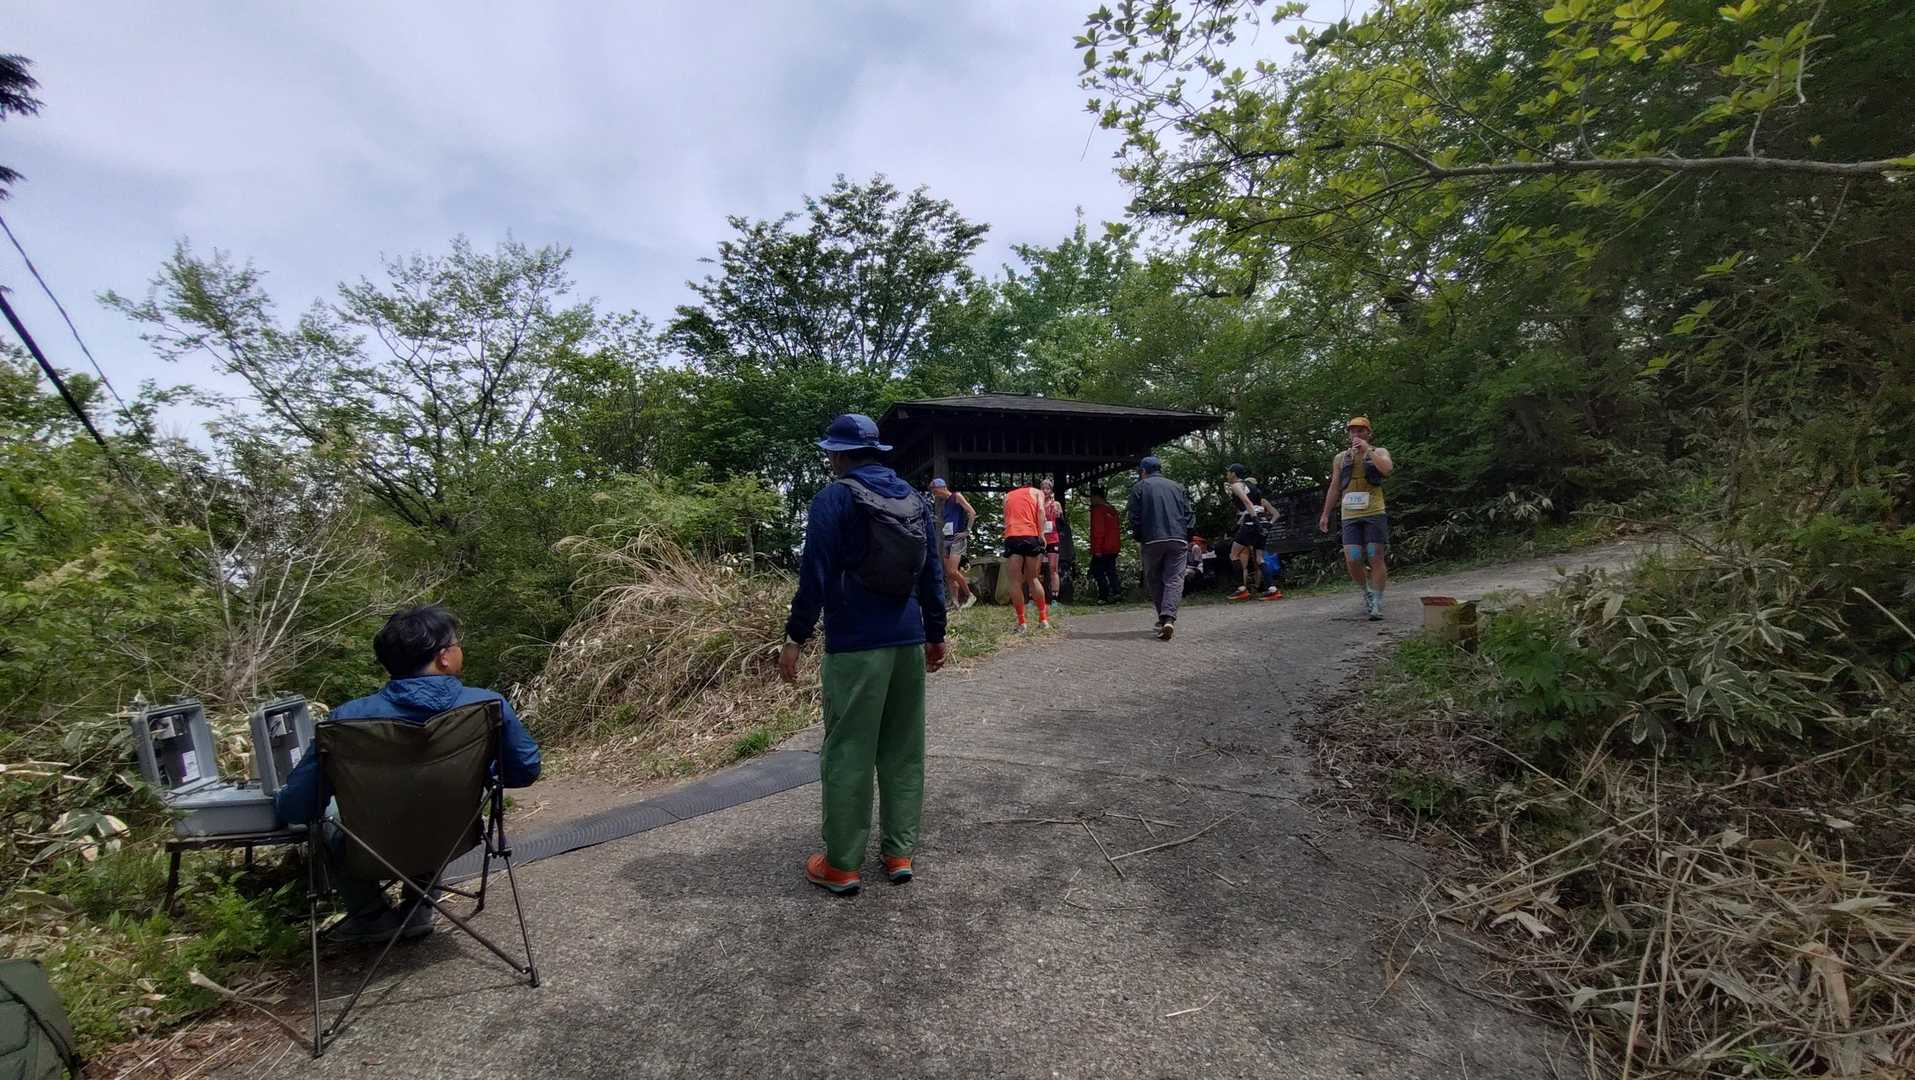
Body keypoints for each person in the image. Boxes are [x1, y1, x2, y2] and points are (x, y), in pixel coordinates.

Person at [275, 605, 541, 945]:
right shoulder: (487, 706)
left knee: (327, 815)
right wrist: (478, 770)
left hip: (369, 849)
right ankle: (419, 906)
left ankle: (371, 916)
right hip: (452, 836)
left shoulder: (344, 720)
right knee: (431, 803)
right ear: (443, 657)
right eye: (456, 643)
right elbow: (525, 770)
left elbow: (296, 808)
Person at [780, 414, 947, 895]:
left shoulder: (834, 498)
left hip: (855, 645)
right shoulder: (913, 499)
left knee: (849, 751)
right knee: (903, 751)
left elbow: (815, 573)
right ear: (877, 451)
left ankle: (842, 865)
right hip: (907, 641)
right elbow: (931, 572)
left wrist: (795, 637)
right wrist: (935, 633)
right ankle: (899, 853)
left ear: (838, 454)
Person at [1317, 416, 1395, 620]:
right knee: (1352, 558)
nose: (1356, 434)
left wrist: (1367, 449)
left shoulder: (1379, 452)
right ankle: (1366, 591)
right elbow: (1334, 487)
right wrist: (1325, 514)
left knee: (1375, 555)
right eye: (1353, 431)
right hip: (1350, 514)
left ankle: (1377, 601)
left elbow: (1387, 469)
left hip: (1374, 512)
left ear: (1369, 433)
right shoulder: (1341, 458)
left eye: (1361, 431)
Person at [1125, 456, 1194, 640]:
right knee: (1174, 578)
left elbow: (1134, 516)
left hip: (1152, 539)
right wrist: (1187, 535)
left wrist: (1139, 536)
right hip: (1178, 537)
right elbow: (1189, 513)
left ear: (1143, 471)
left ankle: (1163, 619)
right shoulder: (1177, 487)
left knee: (1154, 578)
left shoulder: (1140, 487)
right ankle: (1169, 617)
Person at [1224, 464, 1282, 602]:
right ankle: (1272, 590)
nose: (1227, 475)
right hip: (1263, 523)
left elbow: (1246, 502)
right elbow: (1256, 504)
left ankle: (1241, 590)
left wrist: (1255, 521)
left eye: (1228, 472)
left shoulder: (1236, 485)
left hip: (1252, 523)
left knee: (1233, 555)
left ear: (1233, 474)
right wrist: (1263, 524)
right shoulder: (1252, 486)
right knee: (1260, 558)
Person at [1001, 478, 1052, 632]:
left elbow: (1005, 518)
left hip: (1012, 536)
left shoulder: (1007, 496)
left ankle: (1022, 623)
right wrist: (1041, 534)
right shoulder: (1037, 492)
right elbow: (1041, 511)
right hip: (1030, 535)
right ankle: (1043, 619)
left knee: (1014, 582)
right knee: (1033, 579)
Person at [929, 478, 977, 611]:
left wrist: (967, 531)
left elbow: (972, 512)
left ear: (942, 487)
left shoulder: (957, 496)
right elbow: (948, 521)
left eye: (935, 491)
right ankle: (954, 603)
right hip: (947, 539)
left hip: (957, 539)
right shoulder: (945, 504)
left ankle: (969, 595)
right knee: (949, 575)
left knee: (952, 571)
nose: (934, 494)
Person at [1087, 487, 1122, 603]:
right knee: (1111, 570)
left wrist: (1097, 548)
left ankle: (1103, 595)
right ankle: (1117, 592)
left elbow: (1098, 530)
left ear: (1097, 497)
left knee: (1097, 571)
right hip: (1113, 546)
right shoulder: (1112, 510)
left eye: (1092, 497)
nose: (1091, 500)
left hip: (1102, 547)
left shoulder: (1098, 510)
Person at [1040, 478, 1064, 601]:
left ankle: (1055, 598)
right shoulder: (1037, 504)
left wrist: (1058, 513)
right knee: (1036, 569)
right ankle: (1035, 597)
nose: (1045, 491)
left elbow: (1061, 522)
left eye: (1048, 488)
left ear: (1051, 490)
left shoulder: (1056, 504)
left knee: (1053, 568)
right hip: (1040, 538)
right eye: (1043, 488)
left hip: (1053, 539)